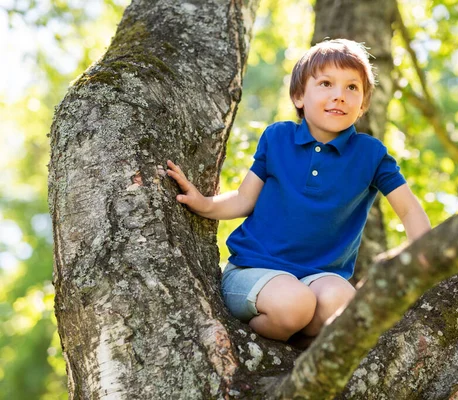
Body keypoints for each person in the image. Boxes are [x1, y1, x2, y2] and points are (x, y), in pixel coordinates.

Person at [166, 38, 431, 343]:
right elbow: (243, 199)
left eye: (352, 88)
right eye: (326, 83)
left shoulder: (370, 154)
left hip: (319, 277)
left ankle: (299, 343)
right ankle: (251, 341)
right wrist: (203, 203)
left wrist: (427, 264)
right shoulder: (278, 138)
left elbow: (409, 209)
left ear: (363, 106)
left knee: (346, 306)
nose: (339, 96)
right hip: (254, 272)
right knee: (294, 305)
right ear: (299, 96)